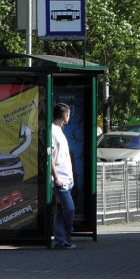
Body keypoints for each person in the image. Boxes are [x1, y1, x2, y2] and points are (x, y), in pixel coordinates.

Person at [51, 102, 77, 250]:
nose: (69, 117)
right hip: (59, 179)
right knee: (69, 208)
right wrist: (56, 177)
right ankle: (68, 232)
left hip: (67, 178)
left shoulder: (59, 130)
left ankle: (61, 241)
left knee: (61, 211)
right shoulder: (53, 131)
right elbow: (50, 157)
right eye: (68, 114)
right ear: (64, 115)